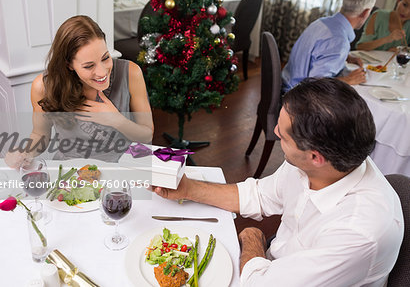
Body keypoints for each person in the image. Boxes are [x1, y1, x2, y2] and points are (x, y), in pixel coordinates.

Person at [154, 78, 404, 286]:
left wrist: (253, 239)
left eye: (282, 135)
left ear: (315, 157)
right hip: (273, 261)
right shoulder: (320, 162)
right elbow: (261, 195)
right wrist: (187, 188)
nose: (274, 131)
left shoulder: (358, 233)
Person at [5, 15, 153, 167]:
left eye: (105, 58)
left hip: (121, 167)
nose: (102, 72)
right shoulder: (43, 87)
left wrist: (116, 120)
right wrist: (24, 153)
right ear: (69, 64)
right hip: (70, 171)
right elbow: (40, 135)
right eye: (89, 66)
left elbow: (146, 136)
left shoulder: (131, 73)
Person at [281, 0, 376, 92]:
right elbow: (316, 86)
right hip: (297, 96)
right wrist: (348, 80)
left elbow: (317, 51)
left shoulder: (322, 22)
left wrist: (346, 57)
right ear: (366, 12)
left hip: (287, 81)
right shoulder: (338, 41)